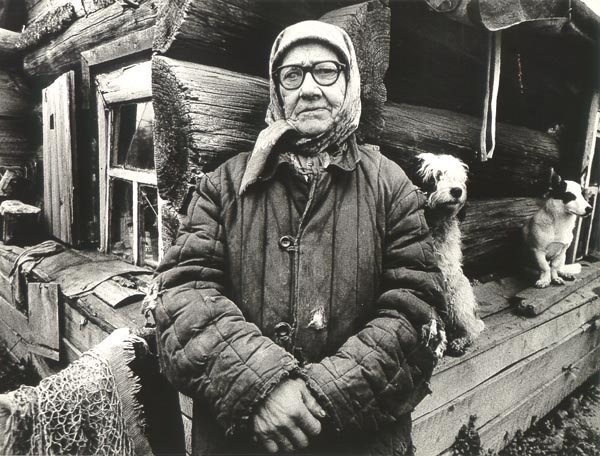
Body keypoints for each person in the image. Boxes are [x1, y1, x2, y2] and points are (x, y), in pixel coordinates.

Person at [152, 20, 447, 456]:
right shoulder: (223, 186)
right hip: (242, 439)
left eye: (326, 71)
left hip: (357, 440)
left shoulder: (391, 186)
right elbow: (182, 295)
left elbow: (417, 306)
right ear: (277, 91)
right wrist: (261, 386)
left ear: (349, 82)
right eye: (292, 75)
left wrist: (325, 392)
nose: (309, 89)